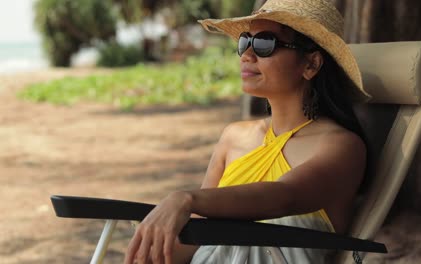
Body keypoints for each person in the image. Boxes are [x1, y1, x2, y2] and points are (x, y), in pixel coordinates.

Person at [125, 0, 372, 263]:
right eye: (245, 42)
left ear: (311, 64)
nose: (246, 55)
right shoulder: (234, 137)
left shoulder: (342, 147)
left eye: (265, 44)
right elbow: (198, 237)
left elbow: (283, 197)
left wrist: (186, 199)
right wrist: (151, 252)